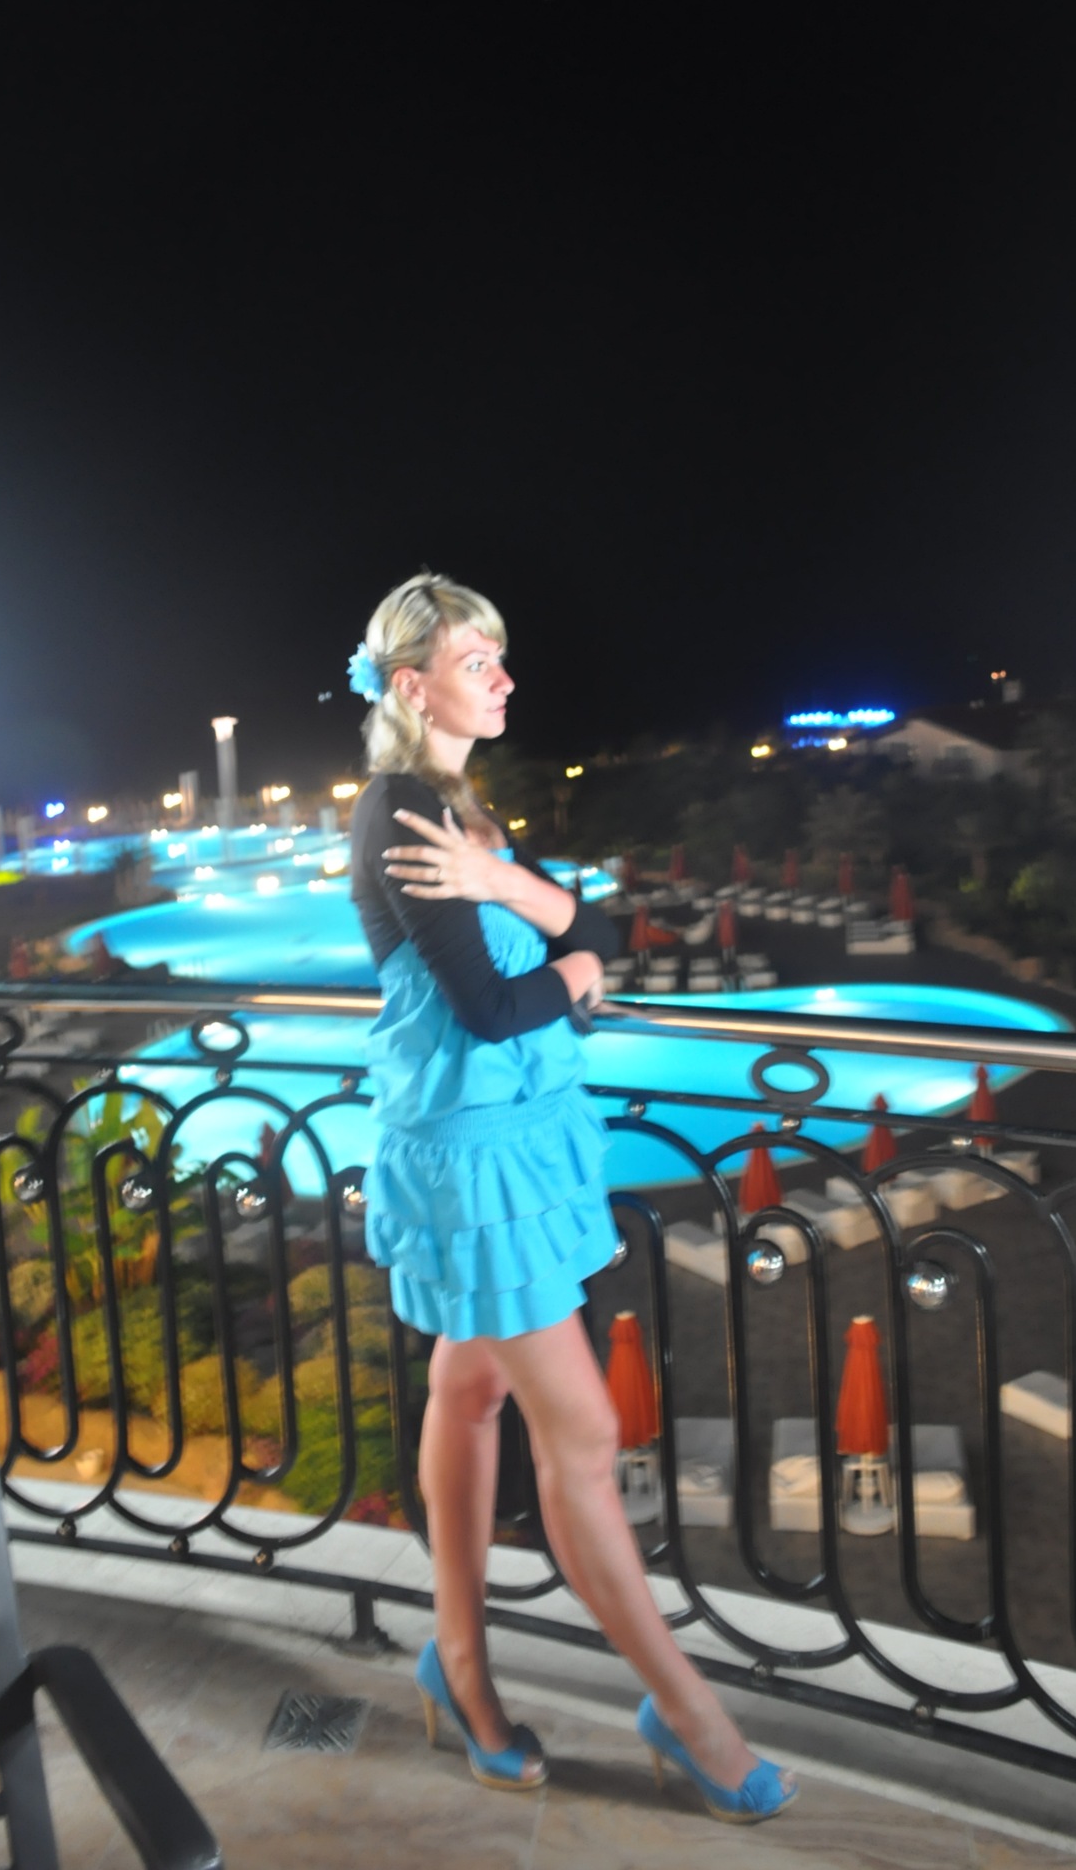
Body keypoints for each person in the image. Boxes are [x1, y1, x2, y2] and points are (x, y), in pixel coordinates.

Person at [348, 571, 796, 1823]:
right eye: (476, 660)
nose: (503, 678)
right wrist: (576, 965)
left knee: (469, 1388)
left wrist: (527, 902)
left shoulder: (462, 809)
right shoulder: (398, 812)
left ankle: (460, 1667)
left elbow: (584, 917)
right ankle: (687, 1713)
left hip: (515, 1141)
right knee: (587, 1437)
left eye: (500, 656)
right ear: (411, 684)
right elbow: (497, 1003)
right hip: (475, 1160)